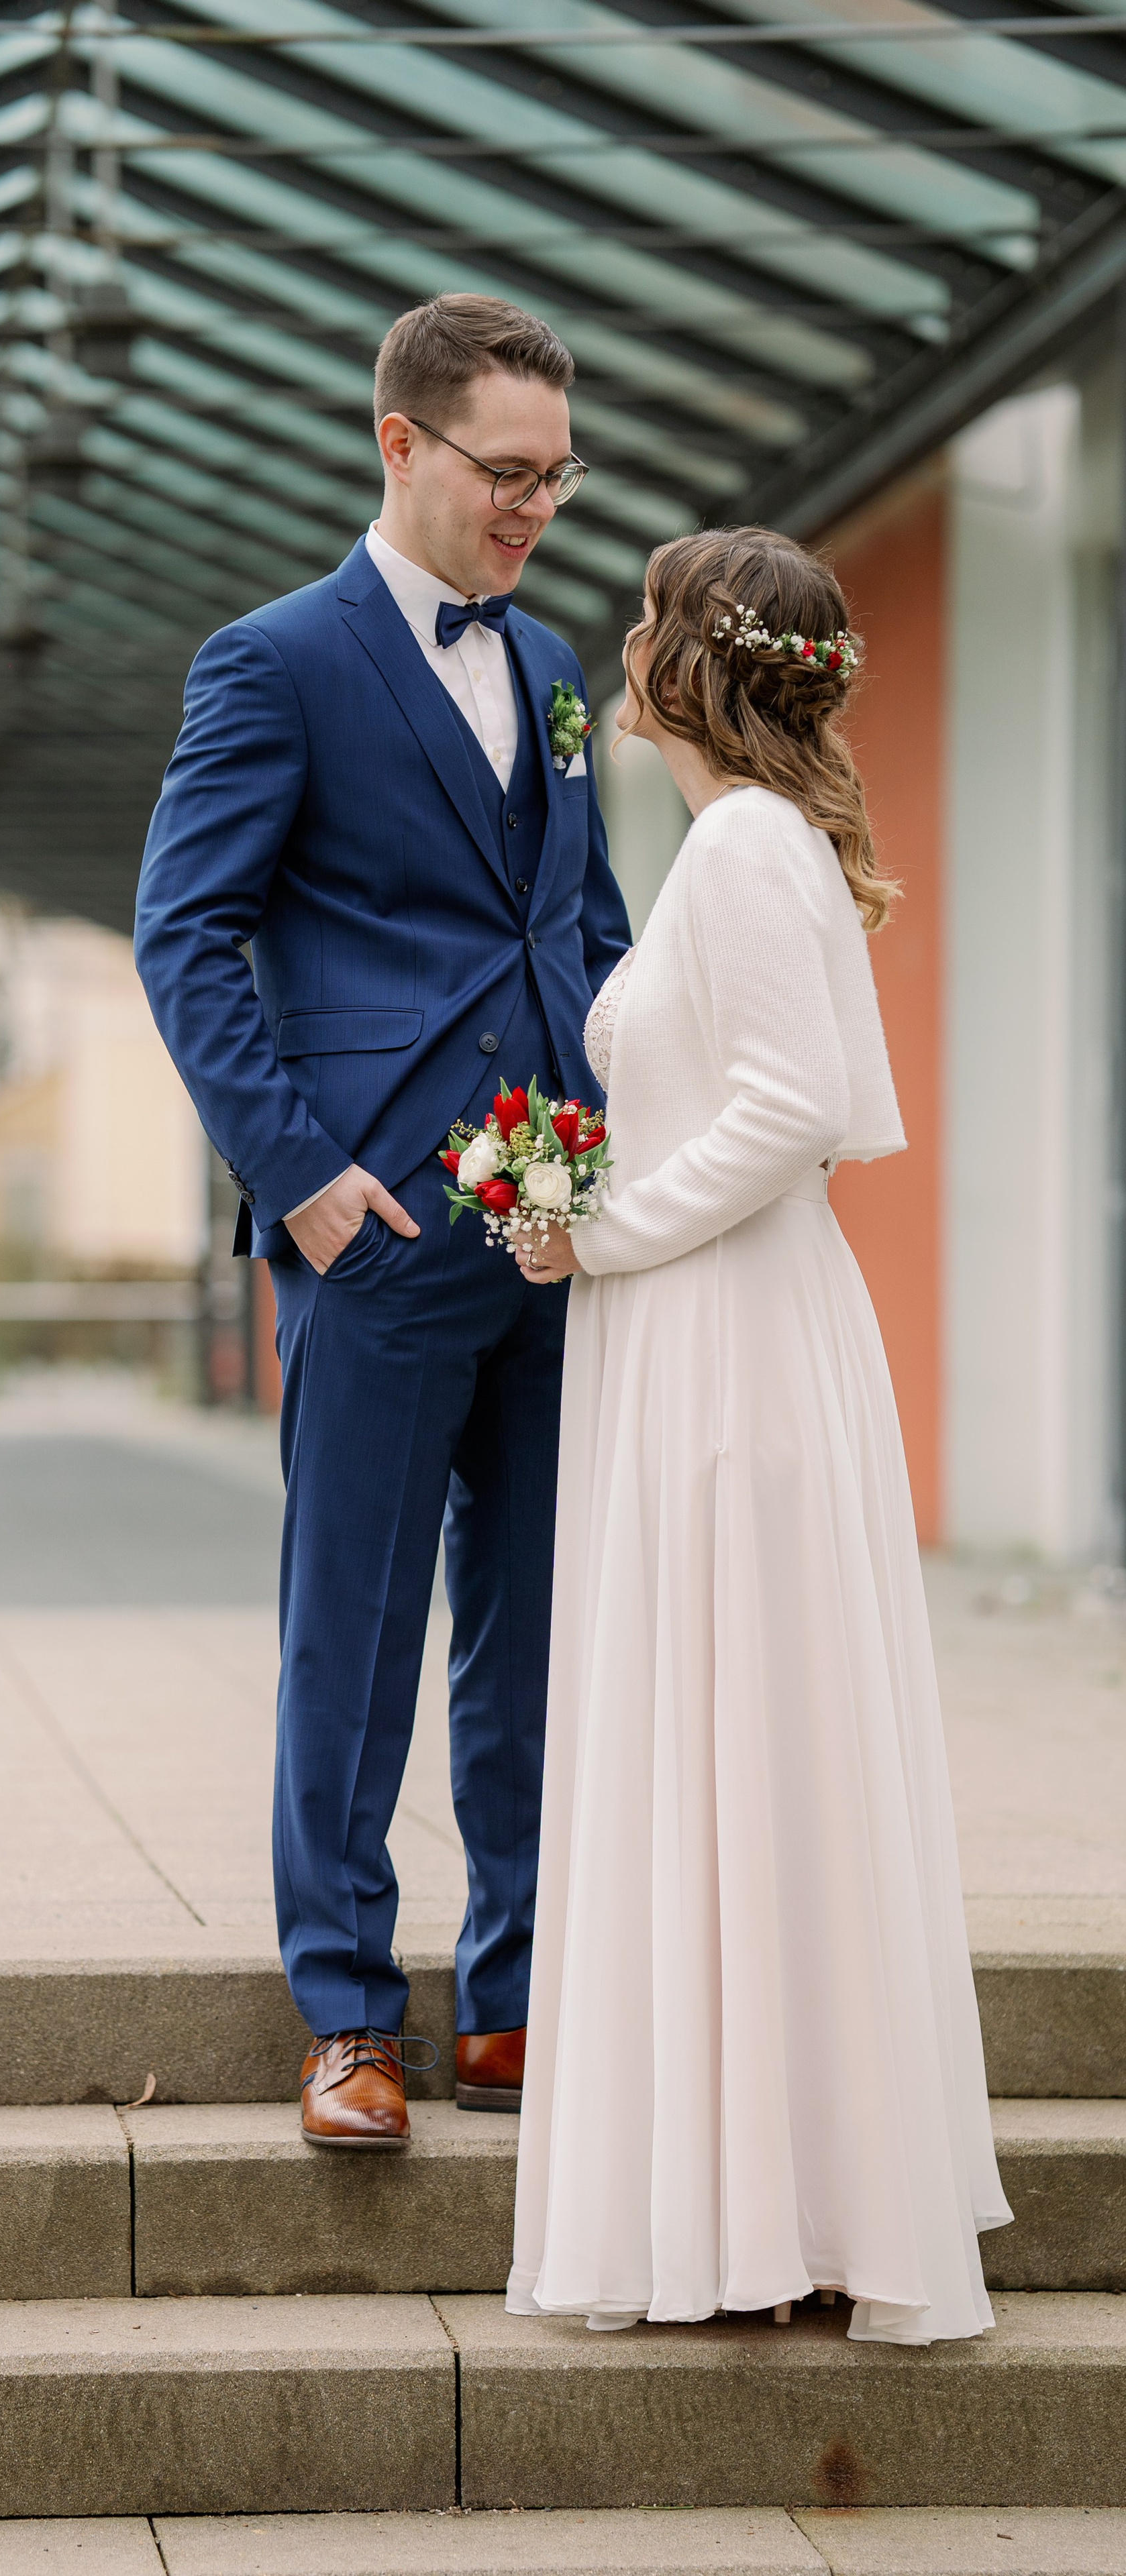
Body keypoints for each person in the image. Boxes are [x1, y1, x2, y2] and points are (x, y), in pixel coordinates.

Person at [135, 294, 631, 2147]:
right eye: (508, 473)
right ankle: (347, 2013)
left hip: (554, 1224)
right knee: (353, 1624)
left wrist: (623, 1151)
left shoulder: (561, 663)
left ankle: (508, 2003)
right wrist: (302, 1180)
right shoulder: (273, 663)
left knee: (537, 1624)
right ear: (399, 446)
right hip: (379, 1226)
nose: (535, 509)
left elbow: (585, 931)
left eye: (557, 477)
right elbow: (184, 939)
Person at [509, 526, 1011, 2341]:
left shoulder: (735, 851)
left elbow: (795, 1106)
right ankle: (769, 2188)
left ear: (690, 668)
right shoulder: (743, 846)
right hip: (716, 1327)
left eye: (643, 618)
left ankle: (759, 2202)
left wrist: (600, 1228)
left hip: (723, 1339)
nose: (621, 642)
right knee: (741, 1741)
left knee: (734, 1731)